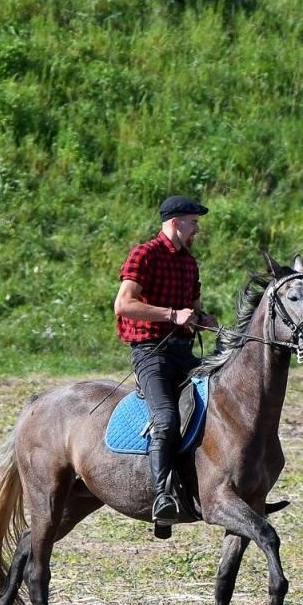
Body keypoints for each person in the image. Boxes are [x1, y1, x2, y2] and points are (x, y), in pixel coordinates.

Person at [114, 195, 218, 524]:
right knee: (165, 419)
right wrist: (173, 315)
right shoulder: (144, 255)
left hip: (182, 353)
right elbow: (124, 305)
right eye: (193, 222)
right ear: (176, 223)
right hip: (150, 352)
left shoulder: (189, 262)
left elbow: (194, 311)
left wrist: (206, 320)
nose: (197, 229)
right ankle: (162, 497)